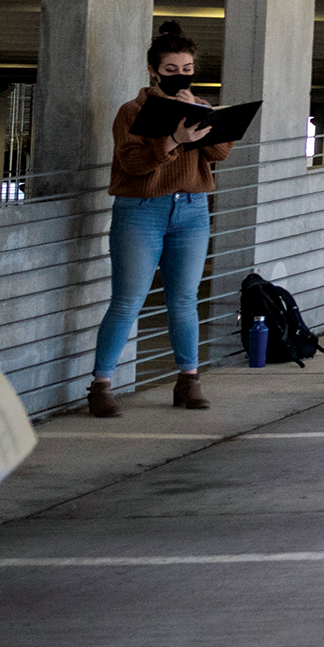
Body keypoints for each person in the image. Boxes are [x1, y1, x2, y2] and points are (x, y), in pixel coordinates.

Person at [91, 25, 224, 415]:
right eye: (171, 67)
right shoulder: (132, 112)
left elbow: (220, 152)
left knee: (183, 299)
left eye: (187, 67)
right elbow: (132, 164)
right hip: (141, 211)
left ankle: (188, 380)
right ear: (153, 70)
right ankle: (100, 385)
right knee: (127, 300)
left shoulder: (199, 105)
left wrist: (199, 117)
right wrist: (174, 140)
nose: (181, 74)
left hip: (192, 209)